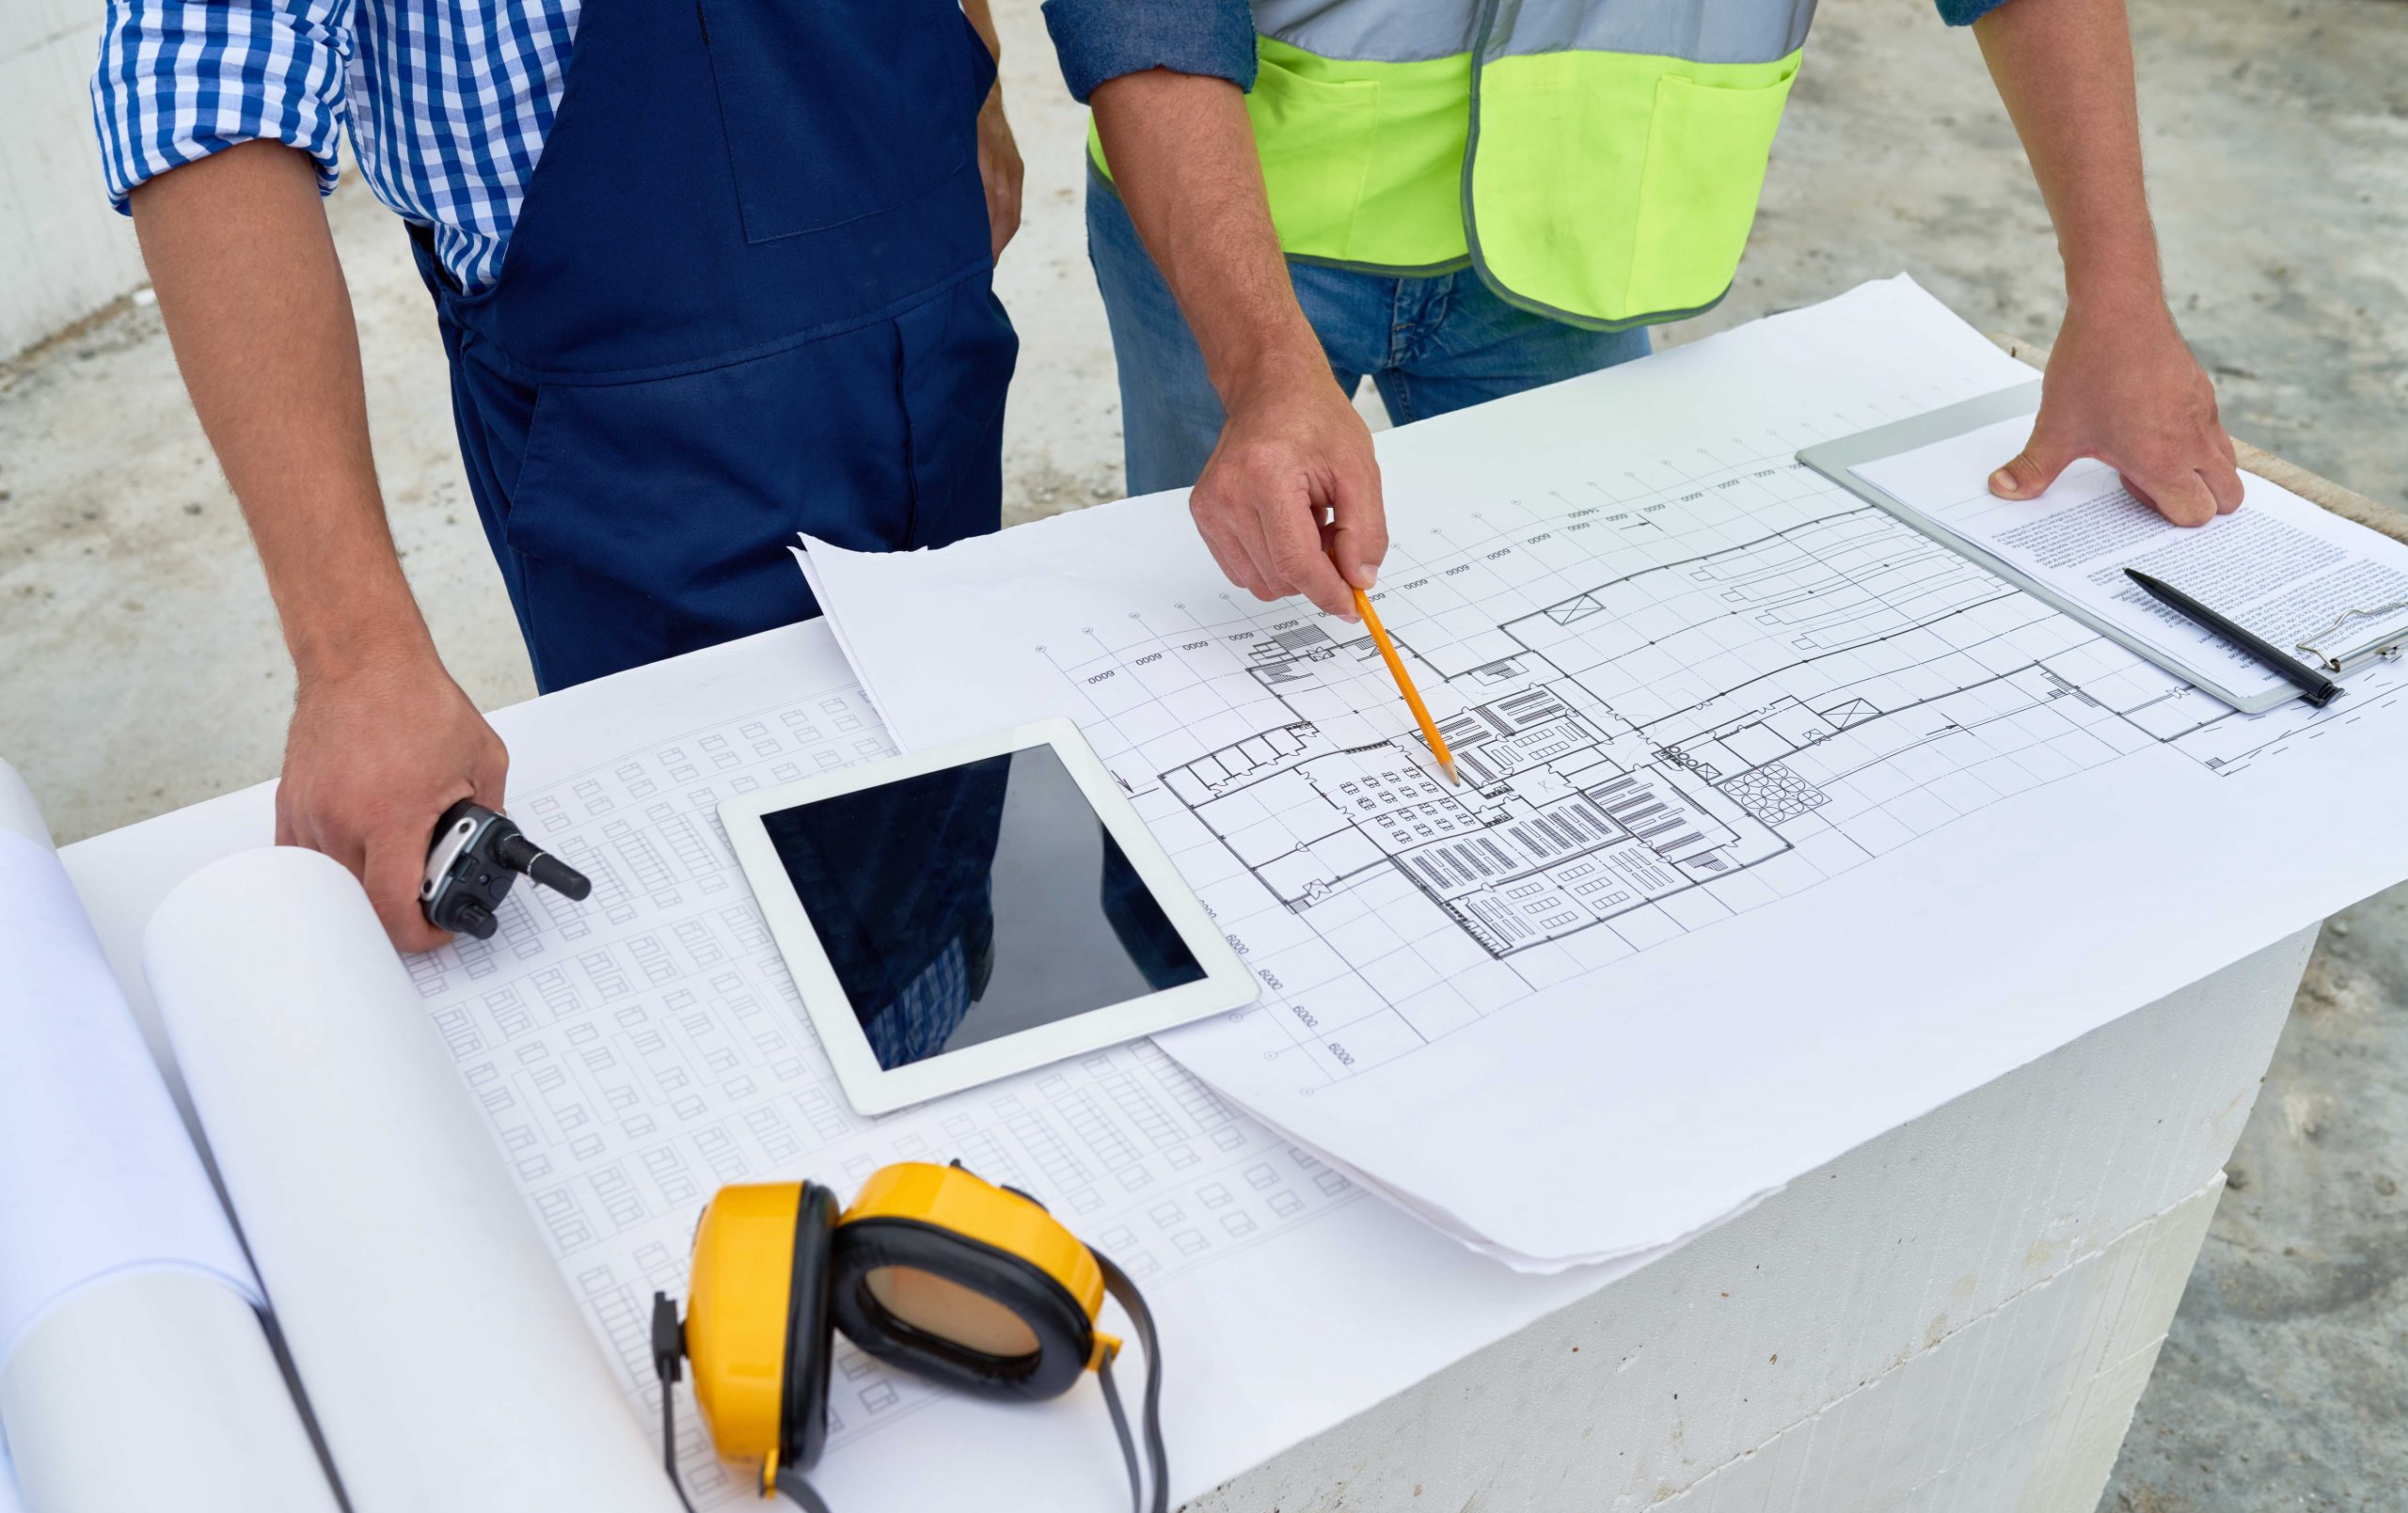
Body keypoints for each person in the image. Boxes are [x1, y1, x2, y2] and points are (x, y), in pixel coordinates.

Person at [92, 0, 1029, 952]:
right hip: (647, 423)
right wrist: (354, 662)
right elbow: (207, 61)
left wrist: (976, 76)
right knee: (742, 917)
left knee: (963, 802)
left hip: (935, 293)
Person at [1043, 0, 2245, 623]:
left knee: (1572, 650)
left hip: (1580, 239)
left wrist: (2120, 298)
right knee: (1226, 643)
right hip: (1236, 233)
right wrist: (1262, 365)